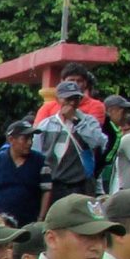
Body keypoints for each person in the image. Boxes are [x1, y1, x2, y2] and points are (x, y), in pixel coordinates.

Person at [34, 81, 106, 210]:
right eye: (68, 99)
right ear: (58, 99)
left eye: (76, 98)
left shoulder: (88, 121)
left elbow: (97, 142)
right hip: (53, 185)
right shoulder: (46, 125)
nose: (72, 103)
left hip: (79, 185)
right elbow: (36, 153)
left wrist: (76, 121)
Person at [0, 121, 46, 224]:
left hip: (28, 224)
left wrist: (41, 219)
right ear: (11, 140)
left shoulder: (40, 161)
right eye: (25, 139)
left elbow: (47, 191)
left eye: (31, 138)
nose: (30, 142)